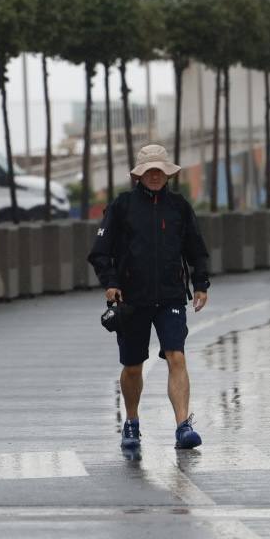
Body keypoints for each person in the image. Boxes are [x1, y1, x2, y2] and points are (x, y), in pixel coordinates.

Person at [88, 143, 210, 453]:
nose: (155, 176)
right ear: (139, 175)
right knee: (133, 366)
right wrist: (111, 283)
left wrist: (200, 283)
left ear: (167, 174)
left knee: (176, 356)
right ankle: (131, 421)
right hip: (132, 300)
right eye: (149, 171)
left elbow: (196, 249)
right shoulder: (122, 207)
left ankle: (183, 426)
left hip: (170, 297)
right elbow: (99, 253)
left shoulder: (180, 207)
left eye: (160, 170)